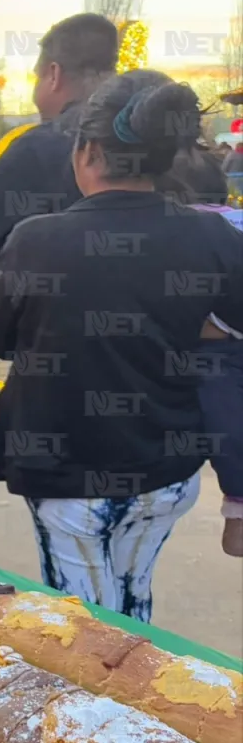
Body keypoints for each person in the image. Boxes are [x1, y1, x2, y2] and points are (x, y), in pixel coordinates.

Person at [0, 71, 243, 622]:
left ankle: (109, 704)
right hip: (166, 471)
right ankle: (139, 695)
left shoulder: (36, 239)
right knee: (130, 600)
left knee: (78, 625)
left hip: (67, 471)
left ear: (89, 149)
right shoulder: (216, 237)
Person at [0, 13, 118, 333]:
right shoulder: (172, 145)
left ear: (54, 74)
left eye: (36, 78)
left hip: (62, 346)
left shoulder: (42, 146)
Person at [161, 147, 243, 558]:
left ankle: (239, 514)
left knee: (224, 419)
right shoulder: (234, 219)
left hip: (224, 342)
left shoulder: (190, 227)